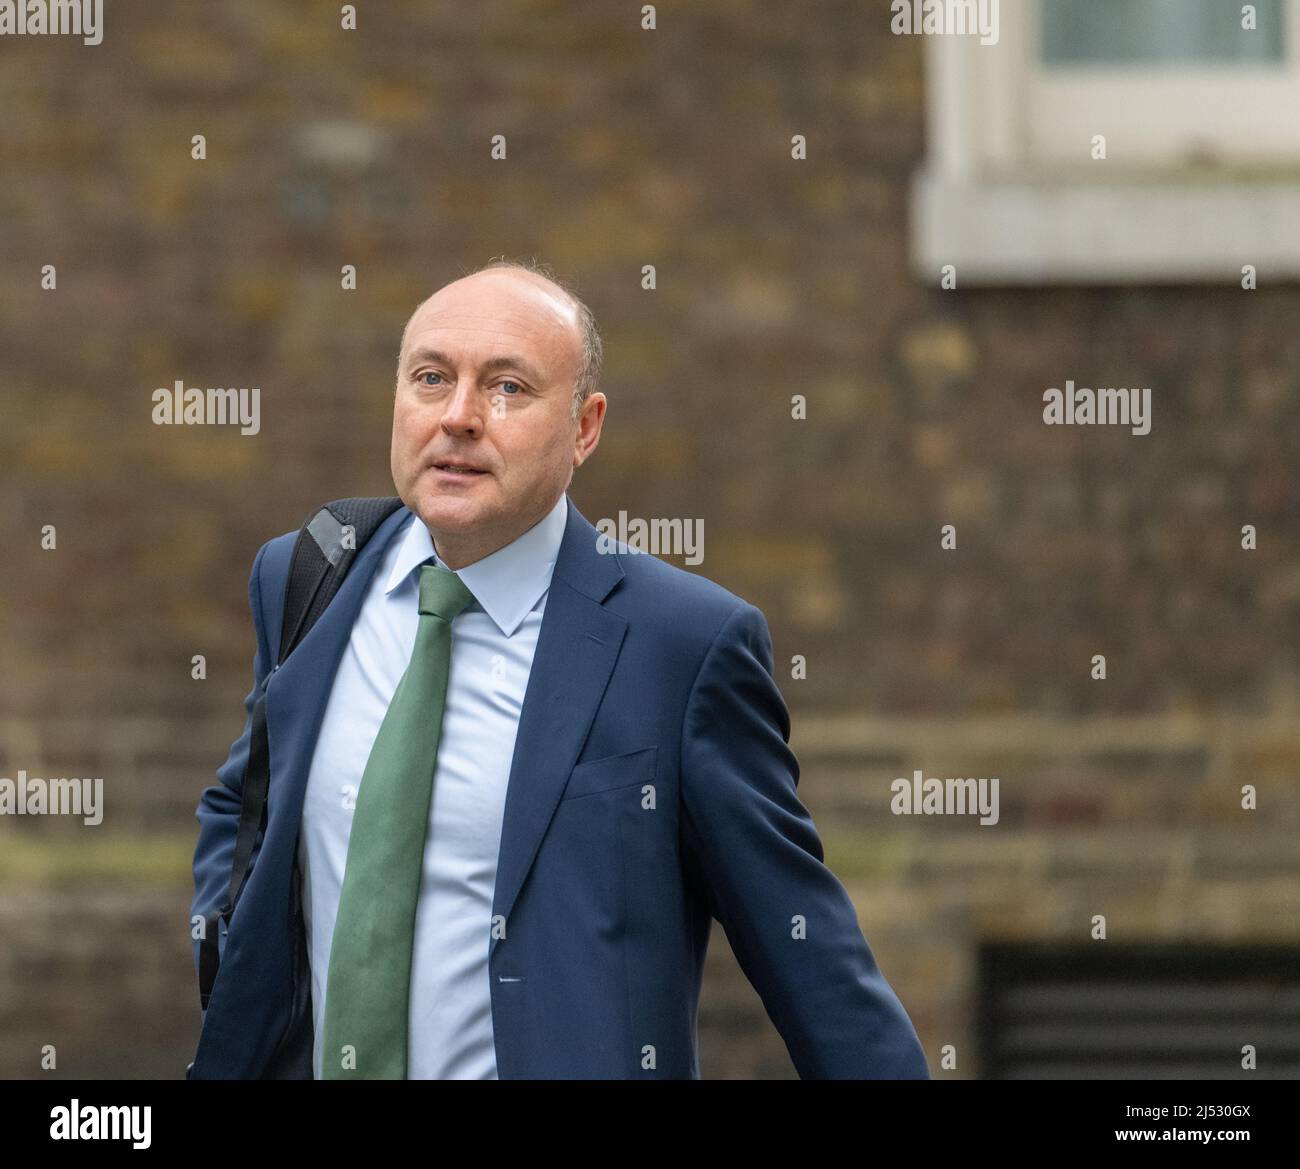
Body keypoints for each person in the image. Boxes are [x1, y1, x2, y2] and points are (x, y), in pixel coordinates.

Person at [188, 257, 930, 1079]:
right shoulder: (307, 573)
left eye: (507, 387)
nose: (459, 417)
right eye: (431, 378)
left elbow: (812, 960)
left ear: (585, 427)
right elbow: (245, 800)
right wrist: (228, 960)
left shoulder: (682, 645)